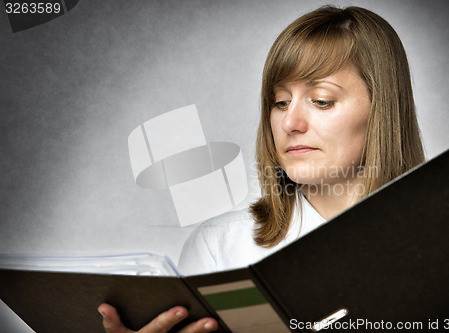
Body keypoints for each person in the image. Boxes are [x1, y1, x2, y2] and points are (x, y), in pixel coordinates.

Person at [99, 5, 425, 333]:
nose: (289, 122)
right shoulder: (221, 247)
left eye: (322, 100)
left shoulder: (446, 245)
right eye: (280, 102)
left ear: (383, 109)